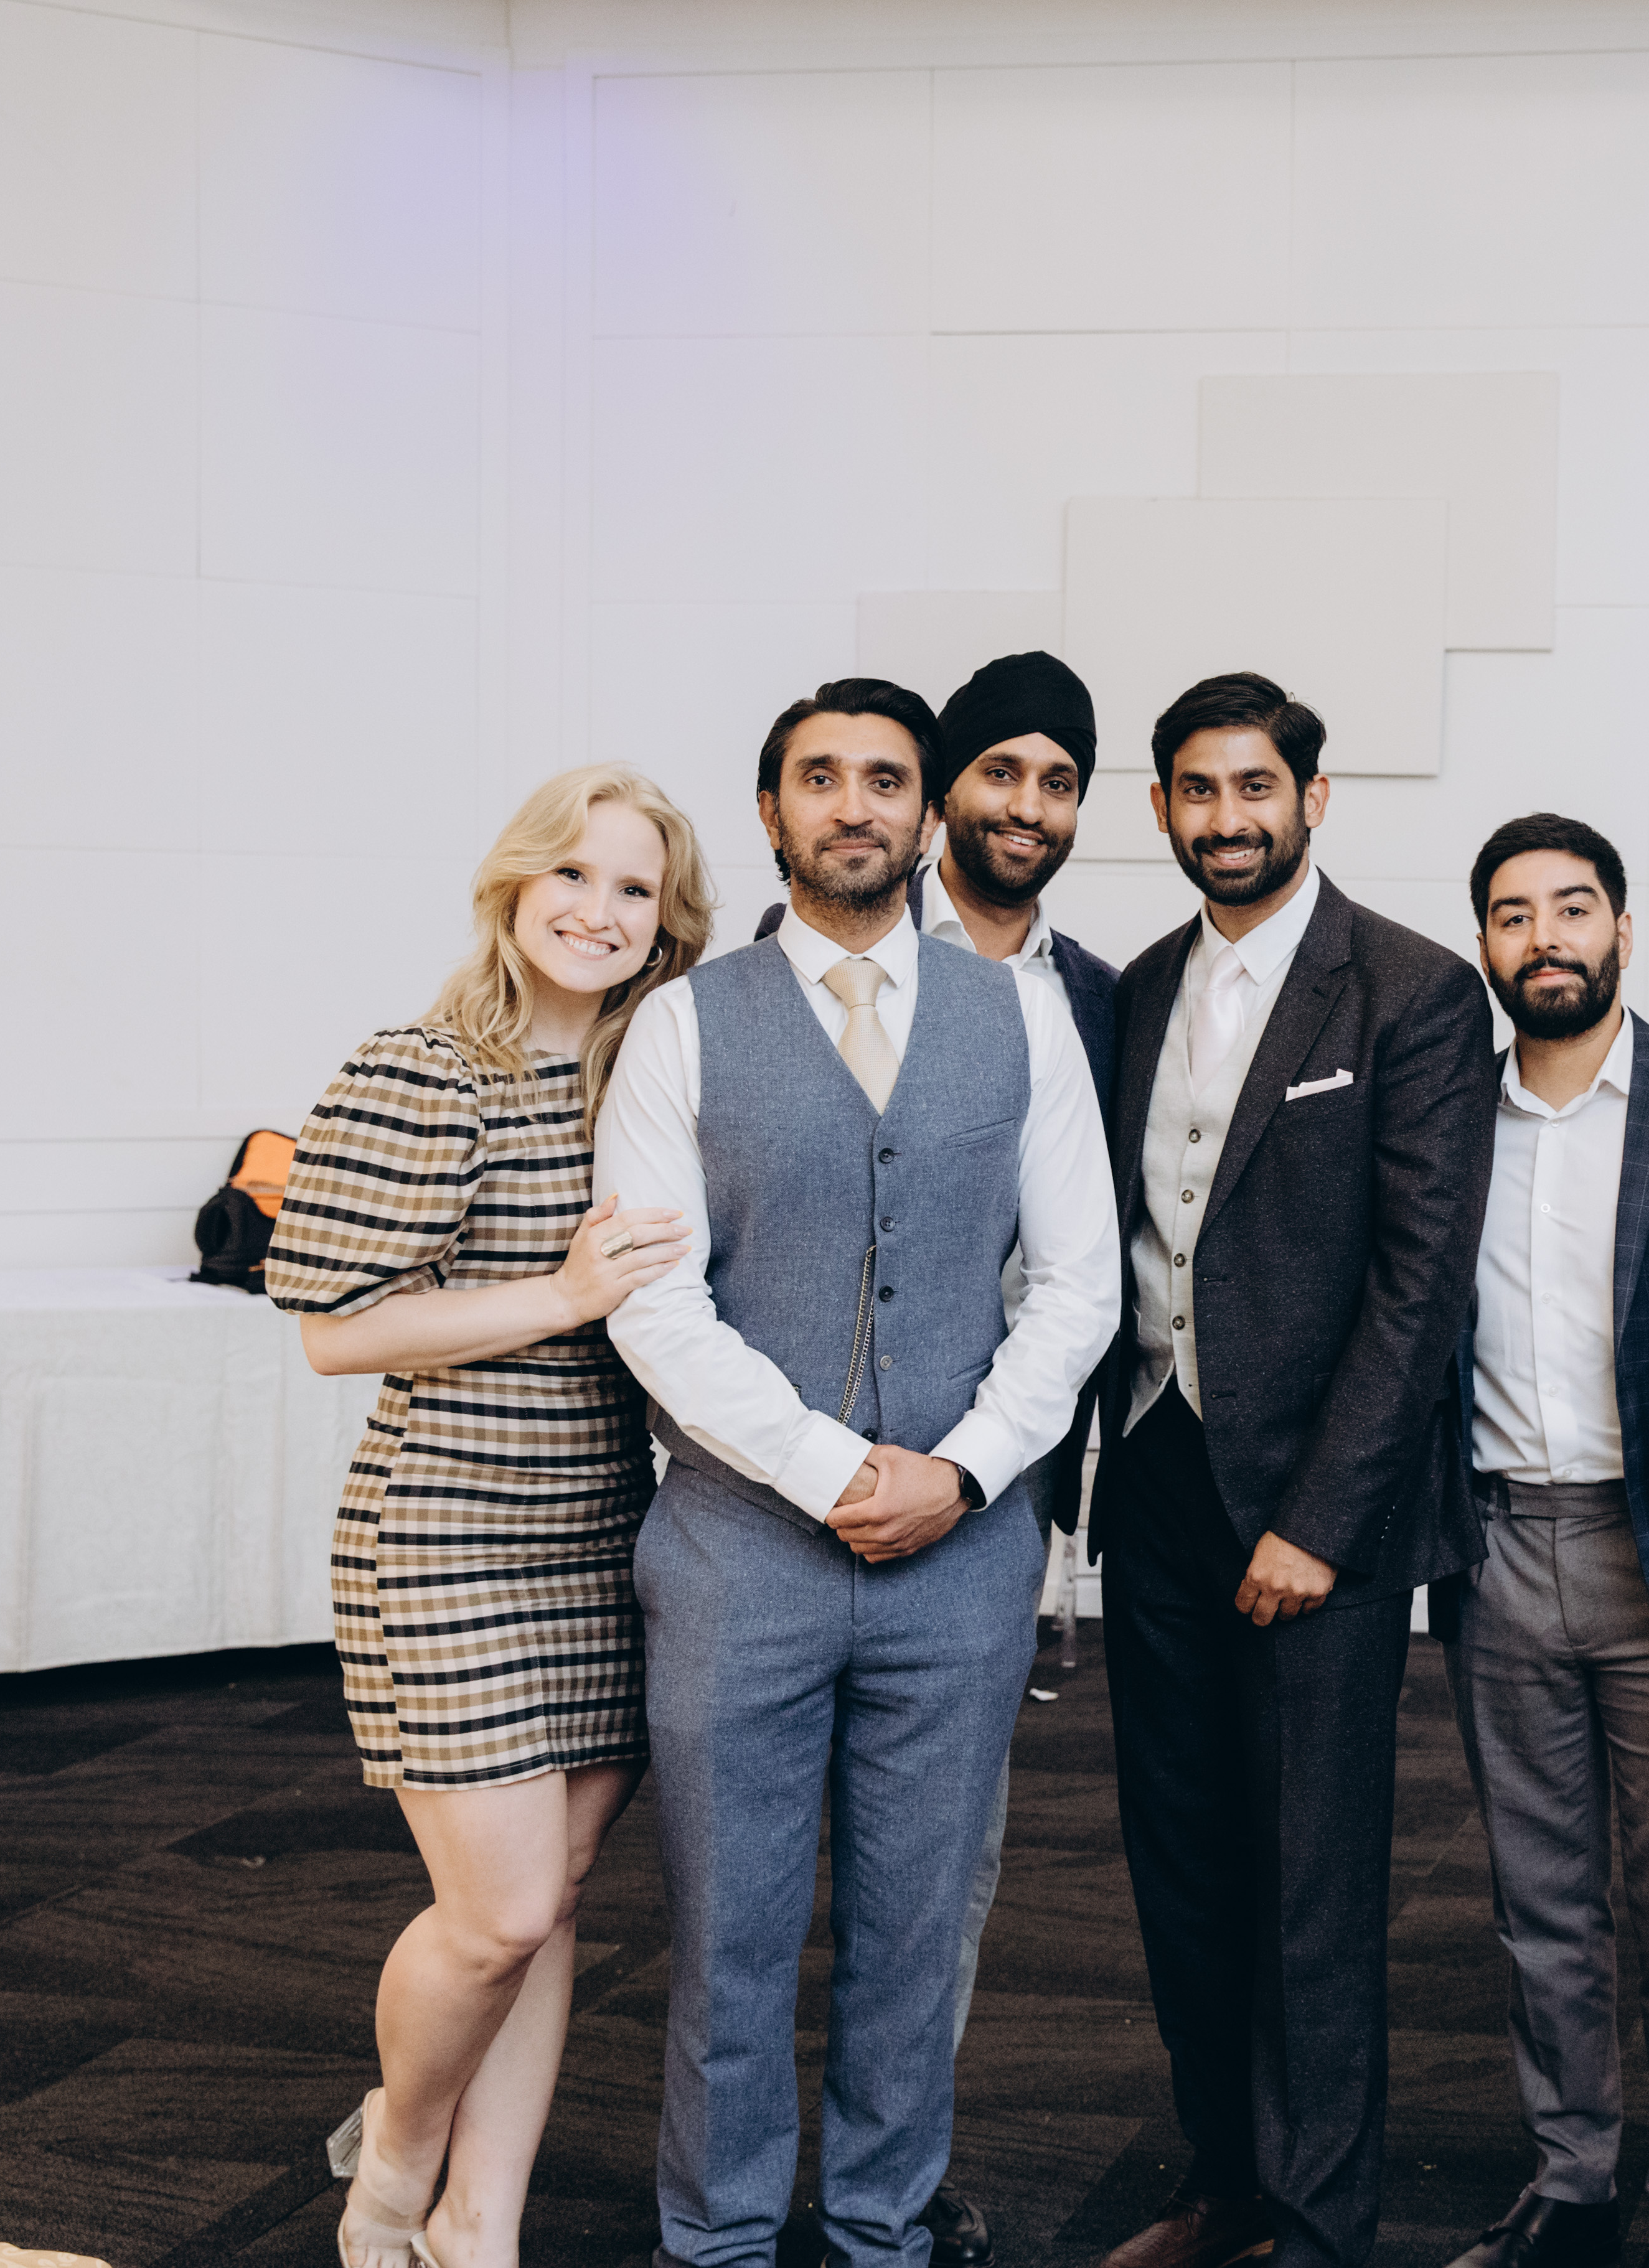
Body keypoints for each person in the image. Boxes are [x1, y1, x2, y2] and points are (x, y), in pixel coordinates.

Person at [591, 678, 1120, 2268]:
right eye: (818, 777)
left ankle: (882, 2233)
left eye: (885, 778)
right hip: (737, 1557)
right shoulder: (683, 1022)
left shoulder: (1019, 1014)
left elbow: (1080, 1286)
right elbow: (653, 1301)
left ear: (926, 810)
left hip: (958, 1569)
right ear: (770, 811)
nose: (853, 805)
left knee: (911, 1940)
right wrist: (831, 1470)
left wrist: (955, 1472)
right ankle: (718, 2239)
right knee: (729, 1938)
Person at [267, 764, 715, 2268]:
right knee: (501, 1911)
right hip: (448, 1535)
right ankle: (396, 2163)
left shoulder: (650, 1081)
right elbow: (334, 1330)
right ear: (513, 883)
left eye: (634, 888)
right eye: (571, 874)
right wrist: (564, 1293)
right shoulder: (428, 1068)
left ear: (668, 921)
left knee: (560, 1899)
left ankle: (482, 2225)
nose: (598, 910)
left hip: (606, 1535)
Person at [1089, 671, 1501, 2268]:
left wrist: (1321, 1521)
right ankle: (1223, 2182)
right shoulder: (1135, 987)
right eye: (1196, 790)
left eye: (1253, 786)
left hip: (1316, 1512)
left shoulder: (1410, 990)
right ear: (1161, 809)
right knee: (1182, 1864)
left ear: (1312, 799)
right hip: (1155, 1478)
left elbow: (1417, 1285)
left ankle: (1320, 2225)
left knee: (1310, 1886)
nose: (1226, 817)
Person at [1434, 815, 1649, 2268]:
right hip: (1495, 1545)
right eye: (1513, 915)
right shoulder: (1445, 1110)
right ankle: (1571, 2177)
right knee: (1538, 1901)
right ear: (1484, 945)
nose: (1543, 936)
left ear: (1623, 928)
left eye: (1571, 908)